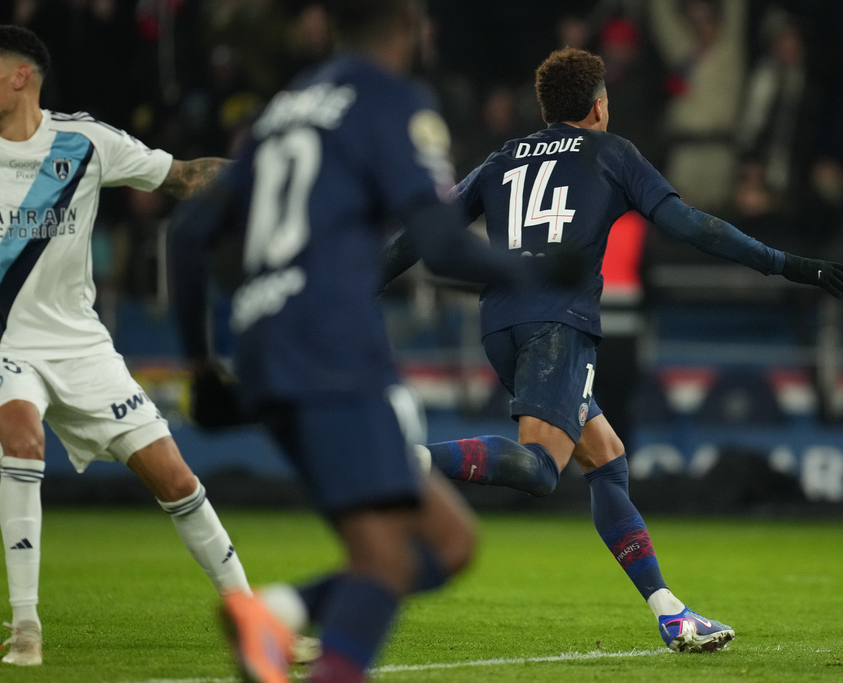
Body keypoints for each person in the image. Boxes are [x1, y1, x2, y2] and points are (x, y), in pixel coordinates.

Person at [383, 46, 843, 653]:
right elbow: (693, 226)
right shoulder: (611, 152)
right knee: (539, 469)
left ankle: (671, 614)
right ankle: (402, 461)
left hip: (501, 325)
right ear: (600, 106)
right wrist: (786, 265)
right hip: (559, 325)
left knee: (606, 460)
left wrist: (356, 288)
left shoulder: (503, 157)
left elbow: (423, 235)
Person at [167, 1, 568, 681]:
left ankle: (279, 609)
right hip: (333, 348)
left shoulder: (285, 109)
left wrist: (203, 368)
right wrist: (534, 270)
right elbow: (441, 247)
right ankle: (286, 626)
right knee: (389, 560)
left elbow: (185, 235)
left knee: (449, 541)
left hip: (265, 348)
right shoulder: (391, 99)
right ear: (411, 22)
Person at [0, 24, 317, 668]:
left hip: (83, 348)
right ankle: (25, 627)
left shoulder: (86, 142)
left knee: (178, 480)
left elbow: (182, 177)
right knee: (23, 439)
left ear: (21, 76)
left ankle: (253, 615)